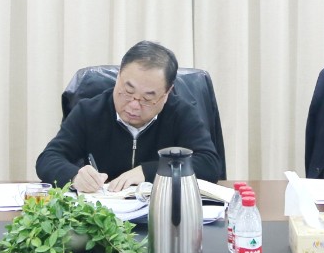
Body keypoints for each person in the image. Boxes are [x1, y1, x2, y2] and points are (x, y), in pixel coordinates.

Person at [37, 40, 223, 194]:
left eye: (147, 98)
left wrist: (149, 171)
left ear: (167, 93)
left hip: (160, 214)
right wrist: (75, 176)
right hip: (103, 216)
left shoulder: (181, 113)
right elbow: (48, 158)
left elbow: (209, 164)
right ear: (118, 77)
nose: (134, 105)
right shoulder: (89, 111)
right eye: (127, 91)